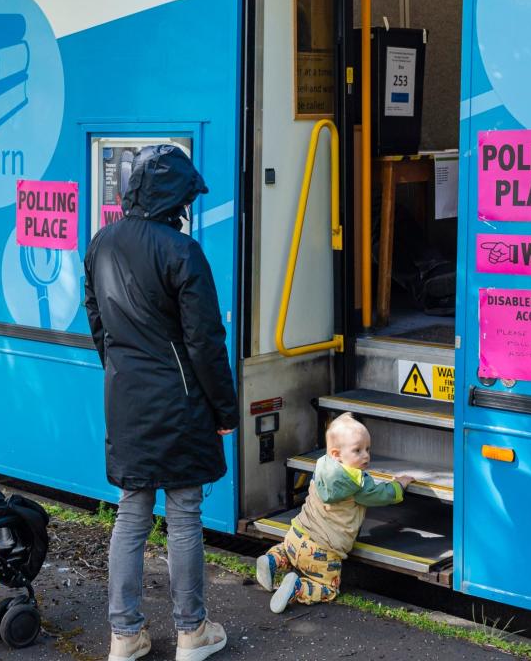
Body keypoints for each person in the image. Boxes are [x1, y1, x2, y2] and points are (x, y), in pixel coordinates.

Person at [83, 145, 239, 661]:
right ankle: (192, 632)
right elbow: (205, 342)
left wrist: (123, 368)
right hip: (178, 399)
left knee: (132, 512)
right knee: (185, 512)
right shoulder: (182, 252)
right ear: (177, 199)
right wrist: (225, 410)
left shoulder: (101, 242)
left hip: (124, 395)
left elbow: (98, 323)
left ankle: (124, 636)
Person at [256, 413, 413, 613]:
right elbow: (381, 495)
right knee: (328, 588)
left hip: (296, 535)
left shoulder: (323, 466)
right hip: (323, 550)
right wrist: (399, 485)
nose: (365, 455)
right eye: (357, 450)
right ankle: (298, 588)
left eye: (367, 449)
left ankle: (272, 560)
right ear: (337, 454)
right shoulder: (359, 484)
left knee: (287, 552)